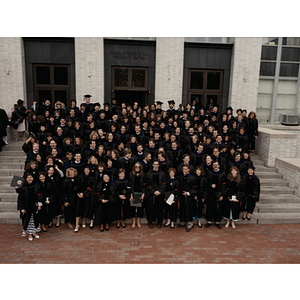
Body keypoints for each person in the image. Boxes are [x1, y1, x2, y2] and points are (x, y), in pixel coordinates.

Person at [17, 173, 41, 241]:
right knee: (28, 220)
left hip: (34, 206)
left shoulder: (36, 185)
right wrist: (22, 208)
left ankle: (35, 232)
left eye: (31, 177)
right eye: (28, 178)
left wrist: (39, 204)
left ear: (33, 178)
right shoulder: (23, 187)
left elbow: (39, 195)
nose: (29, 179)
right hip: (26, 207)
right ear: (26, 179)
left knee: (35, 220)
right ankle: (29, 234)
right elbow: (20, 199)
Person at [145, 158, 167, 229]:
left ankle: (159, 222)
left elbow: (164, 184)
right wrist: (154, 191)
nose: (155, 166)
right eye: (154, 164)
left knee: (160, 208)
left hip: (160, 194)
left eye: (157, 164)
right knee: (150, 208)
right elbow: (147, 184)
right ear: (152, 165)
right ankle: (150, 222)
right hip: (151, 194)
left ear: (159, 165)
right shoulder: (148, 174)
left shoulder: (162, 173)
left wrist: (159, 191)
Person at [206, 160, 227, 229]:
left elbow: (224, 185)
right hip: (210, 193)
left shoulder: (222, 174)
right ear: (212, 166)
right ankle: (209, 221)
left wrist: (222, 195)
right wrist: (210, 185)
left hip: (219, 193)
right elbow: (207, 182)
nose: (215, 166)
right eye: (214, 164)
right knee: (210, 207)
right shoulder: (209, 173)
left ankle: (217, 222)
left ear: (219, 166)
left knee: (218, 208)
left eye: (217, 164)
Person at [178, 165, 198, 232]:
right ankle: (183, 222)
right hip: (182, 196)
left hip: (189, 197)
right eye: (183, 169)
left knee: (188, 210)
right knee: (182, 209)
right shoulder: (181, 177)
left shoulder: (192, 178)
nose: (184, 170)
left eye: (186, 169)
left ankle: (189, 224)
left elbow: (195, 188)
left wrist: (188, 193)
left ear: (188, 170)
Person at [128, 162, 145, 228]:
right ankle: (133, 221)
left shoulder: (143, 174)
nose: (137, 168)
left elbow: (144, 185)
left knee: (140, 208)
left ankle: (138, 221)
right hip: (133, 193)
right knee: (133, 207)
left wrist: (143, 194)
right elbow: (130, 185)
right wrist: (131, 195)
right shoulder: (131, 174)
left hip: (140, 193)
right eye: (136, 167)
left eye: (138, 167)